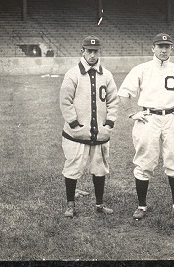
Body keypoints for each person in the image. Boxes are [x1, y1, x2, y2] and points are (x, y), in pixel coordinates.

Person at [118, 33, 174, 220]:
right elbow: (124, 94)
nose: (163, 50)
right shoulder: (142, 69)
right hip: (148, 118)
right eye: (160, 46)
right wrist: (132, 112)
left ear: (172, 48)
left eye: (167, 46)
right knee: (144, 161)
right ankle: (141, 206)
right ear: (153, 48)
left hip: (172, 118)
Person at [57, 36, 121, 217]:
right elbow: (65, 101)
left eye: (95, 51)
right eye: (89, 51)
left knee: (99, 168)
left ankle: (99, 204)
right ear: (82, 52)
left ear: (99, 52)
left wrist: (109, 123)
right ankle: (70, 204)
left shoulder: (106, 75)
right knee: (73, 167)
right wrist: (74, 124)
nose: (92, 55)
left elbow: (113, 101)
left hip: (100, 133)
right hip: (76, 134)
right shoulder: (72, 74)